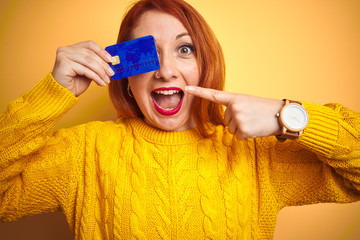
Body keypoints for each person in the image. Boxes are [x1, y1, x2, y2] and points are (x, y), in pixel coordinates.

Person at [0, 0, 359, 239]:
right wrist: (50, 95)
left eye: (184, 49)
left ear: (205, 65)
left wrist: (288, 115)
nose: (167, 70)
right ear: (125, 73)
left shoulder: (255, 155)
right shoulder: (83, 151)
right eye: (149, 53)